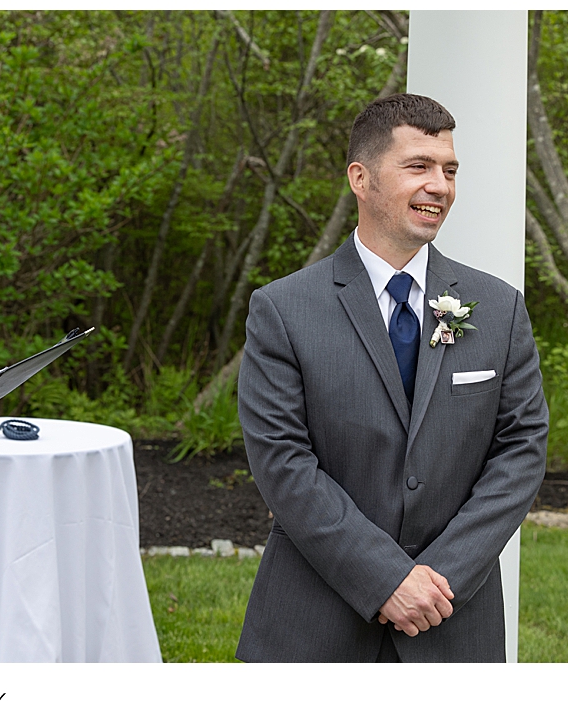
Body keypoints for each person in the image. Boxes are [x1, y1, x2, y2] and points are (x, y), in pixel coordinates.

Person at [234, 94, 548, 662]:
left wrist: (437, 580)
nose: (441, 185)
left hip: (452, 620)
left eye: (449, 170)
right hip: (314, 622)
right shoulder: (283, 310)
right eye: (418, 167)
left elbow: (521, 452)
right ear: (361, 177)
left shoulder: (499, 308)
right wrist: (384, 580)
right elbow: (282, 460)